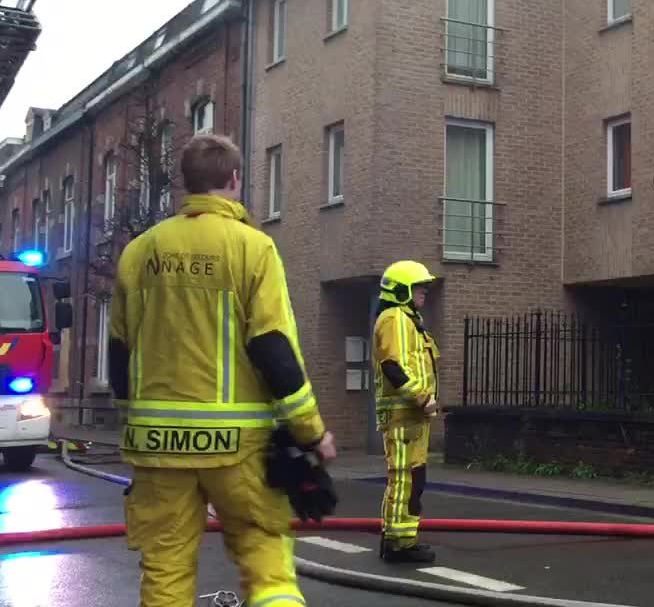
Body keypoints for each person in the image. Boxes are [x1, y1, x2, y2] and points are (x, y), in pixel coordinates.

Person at [108, 134, 337, 606]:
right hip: (239, 448)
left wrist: (135, 422)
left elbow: (118, 352)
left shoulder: (139, 253)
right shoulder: (253, 248)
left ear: (185, 183)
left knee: (165, 571)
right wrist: (311, 432)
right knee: (266, 561)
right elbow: (272, 346)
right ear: (234, 179)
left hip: (158, 449)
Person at [373, 260, 441, 564]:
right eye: (418, 286)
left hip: (413, 418)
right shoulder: (395, 319)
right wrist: (421, 397)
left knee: (414, 479)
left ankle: (403, 540)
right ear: (401, 290)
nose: (424, 290)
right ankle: (397, 544)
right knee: (404, 480)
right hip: (404, 417)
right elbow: (393, 365)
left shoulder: (410, 320)